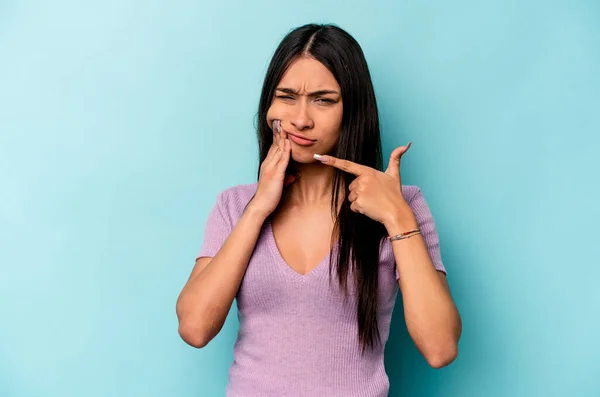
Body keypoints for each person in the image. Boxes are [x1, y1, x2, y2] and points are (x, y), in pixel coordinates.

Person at [176, 23, 462, 397]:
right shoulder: (234, 205)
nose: (301, 119)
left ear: (353, 109)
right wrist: (259, 207)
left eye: (324, 100)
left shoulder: (403, 206)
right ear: (269, 105)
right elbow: (195, 328)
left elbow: (440, 348)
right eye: (287, 96)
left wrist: (396, 218)